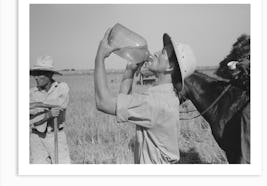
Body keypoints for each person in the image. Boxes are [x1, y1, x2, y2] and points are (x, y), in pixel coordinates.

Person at [94, 28, 196, 164]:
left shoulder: (154, 102)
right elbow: (123, 101)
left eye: (163, 52)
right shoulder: (166, 96)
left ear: (170, 67)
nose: (155, 53)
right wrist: (130, 71)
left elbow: (103, 102)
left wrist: (99, 57)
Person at [29, 56, 71, 164]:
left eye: (39, 74)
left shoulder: (62, 87)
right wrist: (48, 114)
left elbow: (60, 104)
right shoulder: (31, 92)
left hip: (56, 135)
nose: (36, 77)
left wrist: (36, 107)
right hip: (36, 136)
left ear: (49, 75)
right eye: (35, 74)